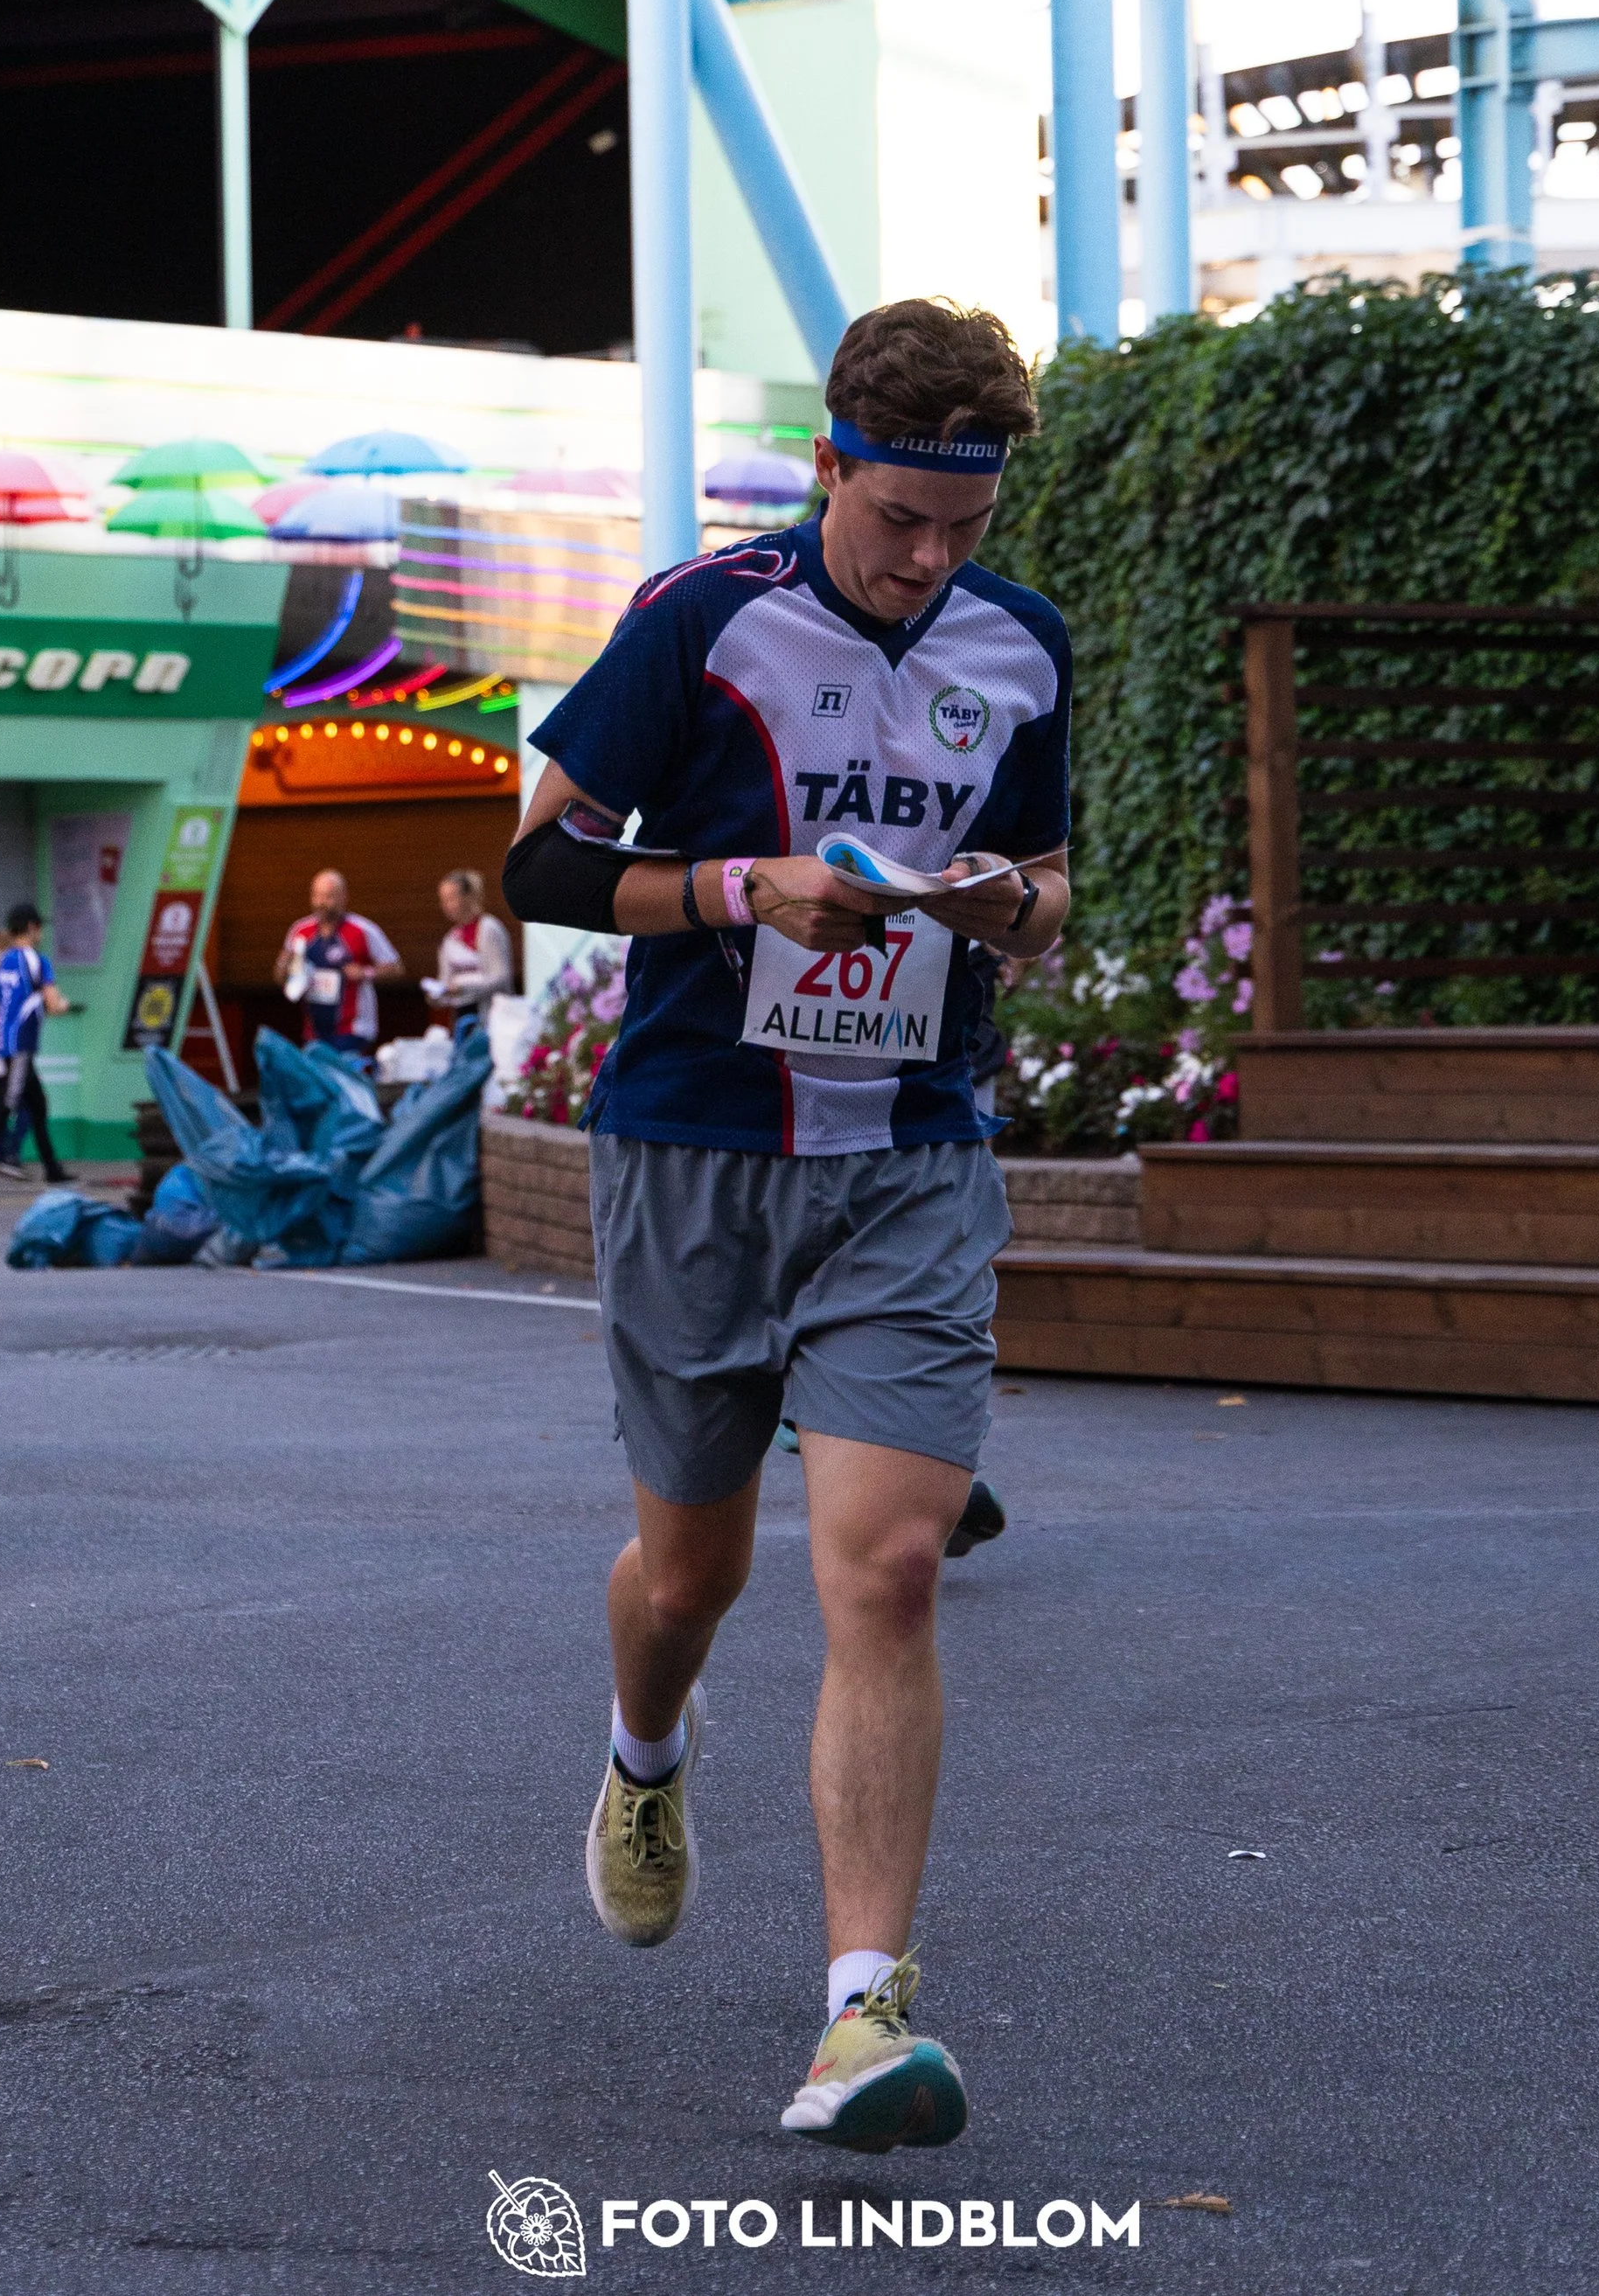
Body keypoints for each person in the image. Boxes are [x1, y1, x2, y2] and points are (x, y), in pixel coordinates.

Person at [503, 297, 1069, 2153]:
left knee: (887, 1566)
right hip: (695, 1152)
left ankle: (859, 2017)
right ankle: (643, 1753)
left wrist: (1008, 906)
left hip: (909, 1155)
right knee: (691, 1576)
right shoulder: (698, 616)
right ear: (829, 466)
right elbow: (539, 858)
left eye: (958, 530)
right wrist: (742, 883)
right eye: (896, 515)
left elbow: (1052, 872)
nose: (924, 560)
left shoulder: (1022, 647)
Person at [0, 902, 73, 1187]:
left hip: (5, 1040)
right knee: (6, 1107)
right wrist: (61, 1004)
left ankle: (53, 1169)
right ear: (33, 928)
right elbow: (54, 1004)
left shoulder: (1, 960)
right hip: (22, 1044)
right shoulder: (38, 961)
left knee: (38, 1105)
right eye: (40, 927)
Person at [274, 870, 400, 1062]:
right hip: (314, 1030)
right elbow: (281, 977)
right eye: (317, 896)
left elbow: (396, 968)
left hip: (354, 1027)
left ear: (344, 898)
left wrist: (366, 972)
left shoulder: (362, 930)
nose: (322, 902)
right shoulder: (300, 931)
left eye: (329, 896)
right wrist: (285, 965)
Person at [424, 868, 515, 1027]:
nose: (447, 906)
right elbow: (445, 980)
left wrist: (462, 988)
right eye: (443, 900)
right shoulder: (450, 939)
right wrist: (437, 995)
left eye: (452, 898)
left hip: (491, 1015)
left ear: (468, 897)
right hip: (463, 1015)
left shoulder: (489, 929)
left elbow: (501, 978)